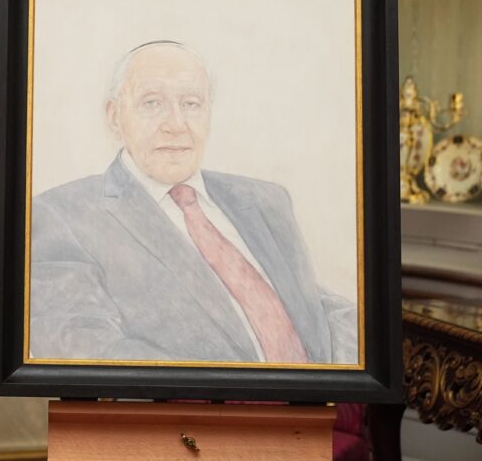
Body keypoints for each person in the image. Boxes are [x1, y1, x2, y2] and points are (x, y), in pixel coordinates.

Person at [30, 40, 356, 365]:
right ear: (115, 116)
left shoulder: (264, 201)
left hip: (317, 412)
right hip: (194, 415)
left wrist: (338, 390)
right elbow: (82, 349)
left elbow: (317, 307)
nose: (176, 124)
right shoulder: (64, 217)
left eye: (191, 103)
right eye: (152, 103)